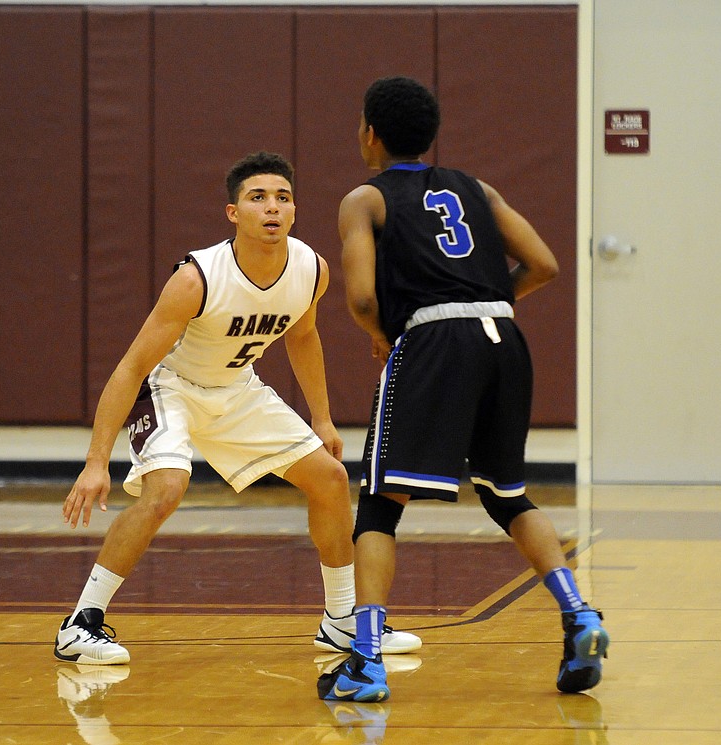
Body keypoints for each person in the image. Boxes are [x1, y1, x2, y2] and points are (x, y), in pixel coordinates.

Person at [54, 151, 420, 665]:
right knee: (168, 488)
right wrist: (96, 463)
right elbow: (130, 368)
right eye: (258, 198)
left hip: (236, 389)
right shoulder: (196, 278)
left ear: (294, 211)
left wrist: (322, 417)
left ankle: (341, 622)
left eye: (283, 198)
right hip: (172, 389)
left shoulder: (311, 269)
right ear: (233, 213)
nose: (272, 208)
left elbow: (304, 337)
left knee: (331, 479)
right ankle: (81, 624)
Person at [318, 78, 609, 702]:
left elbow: (363, 297)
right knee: (507, 494)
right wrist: (487, 302)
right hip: (505, 339)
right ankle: (579, 612)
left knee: (378, 501)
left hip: (433, 341)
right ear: (430, 136)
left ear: (370, 132)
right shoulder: (478, 188)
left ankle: (364, 661)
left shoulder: (363, 199)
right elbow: (545, 264)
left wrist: (387, 335)